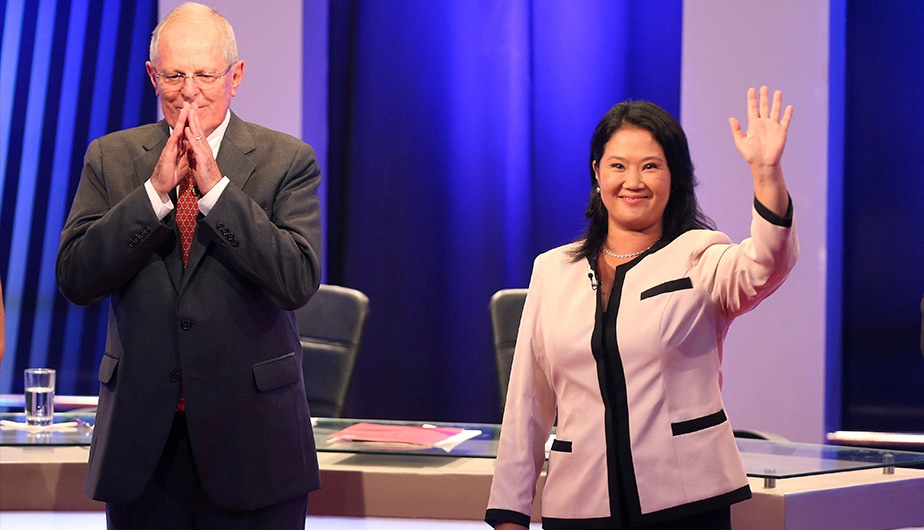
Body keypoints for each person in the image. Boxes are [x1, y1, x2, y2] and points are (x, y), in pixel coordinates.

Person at [56, 3, 322, 528]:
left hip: (253, 445)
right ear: (153, 76)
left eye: (205, 75)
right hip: (142, 448)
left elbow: (296, 280)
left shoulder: (287, 160)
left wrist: (217, 192)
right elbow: (76, 277)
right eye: (175, 76)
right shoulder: (111, 158)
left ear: (235, 77)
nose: (190, 92)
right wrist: (154, 194)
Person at [485, 86, 798, 530]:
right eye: (618, 166)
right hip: (579, 505)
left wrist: (767, 174)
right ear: (597, 172)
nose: (633, 181)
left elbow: (768, 262)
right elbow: (527, 402)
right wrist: (510, 513)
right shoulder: (553, 270)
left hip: (686, 506)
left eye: (651, 166)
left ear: (675, 176)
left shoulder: (701, 256)